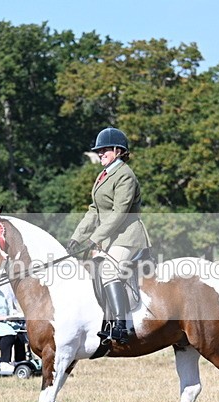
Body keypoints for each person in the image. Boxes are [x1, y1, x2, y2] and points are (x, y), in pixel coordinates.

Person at [67, 127, 151, 344]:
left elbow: (119, 213)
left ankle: (122, 325)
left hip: (127, 236)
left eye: (104, 150)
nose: (100, 153)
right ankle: (106, 321)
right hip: (110, 237)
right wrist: (77, 236)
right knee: (93, 269)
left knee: (109, 271)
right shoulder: (103, 175)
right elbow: (94, 210)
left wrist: (94, 238)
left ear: (118, 150)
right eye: (99, 150)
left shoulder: (125, 175)